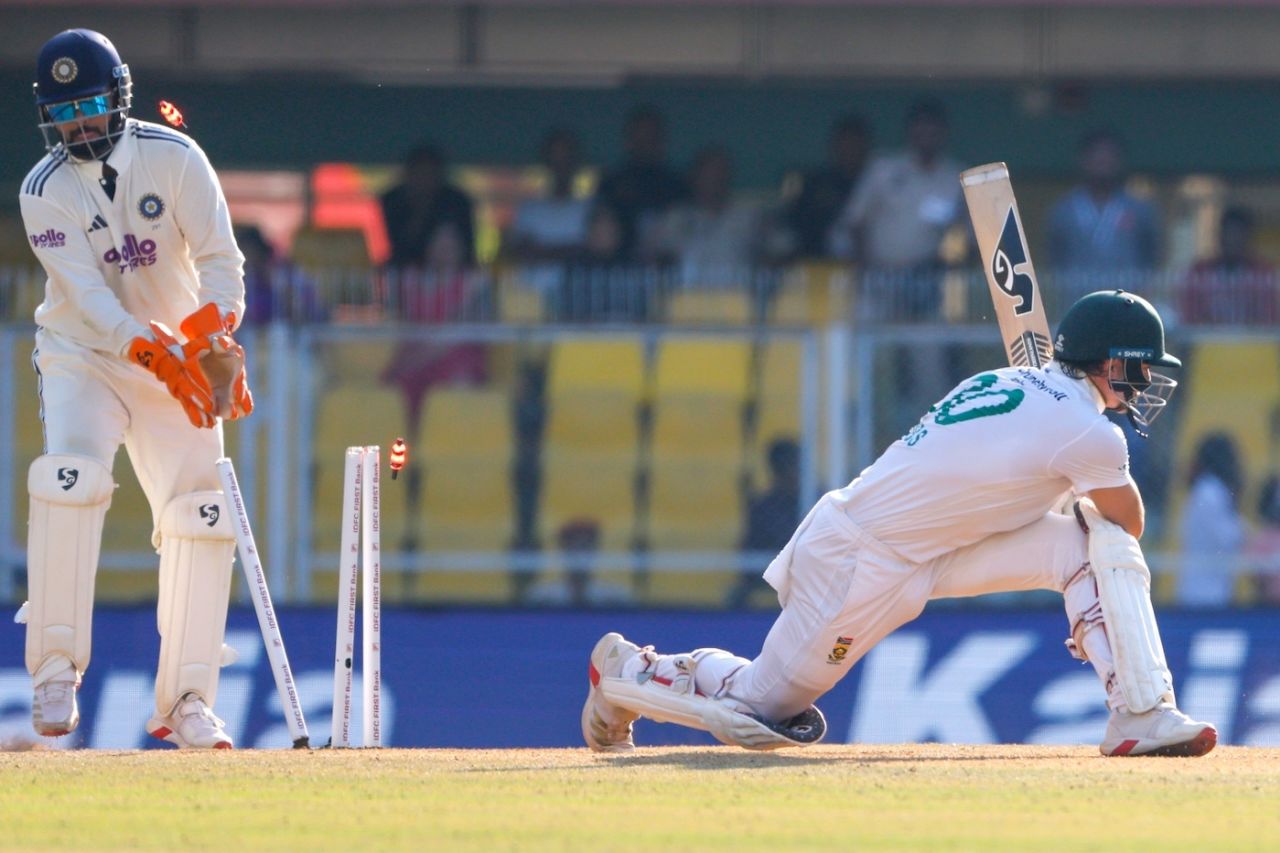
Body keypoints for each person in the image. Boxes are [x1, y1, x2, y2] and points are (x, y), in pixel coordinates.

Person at [583, 290, 1218, 758]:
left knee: (1085, 546)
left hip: (934, 548)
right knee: (763, 711)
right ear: (1108, 362)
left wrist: (1064, 498)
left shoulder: (1005, 378)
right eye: (1138, 367)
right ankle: (630, 673)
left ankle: (1140, 712)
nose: (1144, 384)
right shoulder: (1090, 435)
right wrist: (1077, 487)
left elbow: (1001, 483)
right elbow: (1129, 518)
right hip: (862, 559)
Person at [18, 29, 253, 748]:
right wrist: (150, 350)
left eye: (91, 104)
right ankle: (55, 668)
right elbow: (89, 298)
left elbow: (222, 261)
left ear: (118, 95)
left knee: (202, 513)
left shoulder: (175, 158)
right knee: (70, 478)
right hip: (85, 356)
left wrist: (209, 339)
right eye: (66, 112)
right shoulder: (43, 191)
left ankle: (186, 697)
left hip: (177, 354)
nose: (81, 124)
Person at [828, 98, 963, 321]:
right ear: (910, 132)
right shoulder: (883, 169)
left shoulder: (954, 177)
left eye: (932, 131)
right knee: (868, 347)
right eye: (921, 129)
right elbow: (855, 222)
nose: (926, 137)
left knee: (928, 349)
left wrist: (945, 268)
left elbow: (960, 235)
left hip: (924, 281)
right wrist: (867, 269)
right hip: (877, 278)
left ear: (943, 133)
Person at [1047, 130, 1160, 309]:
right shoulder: (1064, 210)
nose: (1103, 163)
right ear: (1083, 160)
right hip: (1076, 303)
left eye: (1109, 157)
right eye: (1097, 157)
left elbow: (1151, 254)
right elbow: (1055, 255)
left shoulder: (1139, 209)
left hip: (1127, 302)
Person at [644, 145, 764, 288]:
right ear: (693, 175)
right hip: (686, 302)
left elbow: (779, 252)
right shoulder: (674, 218)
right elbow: (649, 259)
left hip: (738, 302)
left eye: (720, 171)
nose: (714, 178)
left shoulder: (749, 216)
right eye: (708, 172)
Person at [595, 105, 688, 261]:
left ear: (661, 140)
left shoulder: (677, 184)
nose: (645, 143)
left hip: (668, 270)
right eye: (640, 137)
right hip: (619, 268)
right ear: (628, 140)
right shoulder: (612, 182)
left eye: (650, 137)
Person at [726, 438, 802, 608]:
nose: (795, 473)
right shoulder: (763, 508)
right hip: (770, 583)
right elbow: (749, 557)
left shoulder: (819, 502)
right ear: (777, 472)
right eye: (789, 468)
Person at [784, 114, 871, 261]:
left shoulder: (876, 183)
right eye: (844, 143)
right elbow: (794, 226)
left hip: (869, 268)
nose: (849, 149)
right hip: (819, 266)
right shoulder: (813, 183)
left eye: (855, 143)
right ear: (834, 146)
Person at [1176, 433, 1246, 607]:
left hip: (1208, 584)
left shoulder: (1205, 490)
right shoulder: (1210, 492)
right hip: (1205, 592)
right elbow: (1227, 538)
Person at [380, 143, 476, 269]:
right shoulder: (391, 202)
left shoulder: (456, 203)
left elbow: (466, 251)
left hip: (449, 277)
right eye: (418, 172)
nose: (423, 179)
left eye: (429, 172)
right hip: (396, 277)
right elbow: (383, 250)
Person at [1180, 206, 1278, 326]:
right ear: (1220, 236)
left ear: (1248, 237)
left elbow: (1271, 317)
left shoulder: (1264, 273)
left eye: (1238, 235)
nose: (1233, 241)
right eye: (1229, 234)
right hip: (1207, 340)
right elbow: (1189, 314)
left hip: (1254, 341)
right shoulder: (1199, 272)